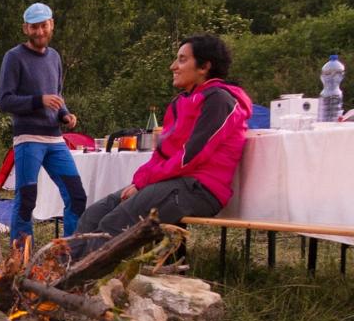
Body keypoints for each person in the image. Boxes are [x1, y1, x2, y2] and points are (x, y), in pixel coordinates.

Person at [73, 33, 253, 255]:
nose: (173, 66)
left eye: (182, 59)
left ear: (204, 66)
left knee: (115, 223)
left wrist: (144, 183)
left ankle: (85, 282)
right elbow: (163, 153)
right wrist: (140, 180)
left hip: (200, 189)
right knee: (93, 214)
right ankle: (60, 274)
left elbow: (191, 155)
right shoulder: (181, 102)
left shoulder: (220, 100)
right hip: (174, 182)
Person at [0, 2, 87, 242]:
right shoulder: (14, 57)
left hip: (55, 139)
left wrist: (65, 115)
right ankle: (21, 260)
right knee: (27, 199)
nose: (39, 32)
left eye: (43, 26)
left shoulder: (55, 57)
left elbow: (56, 96)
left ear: (52, 25)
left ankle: (69, 255)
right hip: (28, 139)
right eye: (34, 27)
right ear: (25, 28)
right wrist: (39, 101)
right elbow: (5, 101)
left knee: (77, 196)